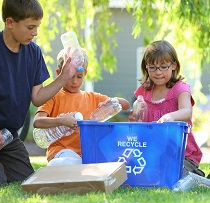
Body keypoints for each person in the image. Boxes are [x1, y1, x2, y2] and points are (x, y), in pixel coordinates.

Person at [0, 0, 76, 186]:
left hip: (7, 135)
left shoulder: (34, 53)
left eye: (37, 27)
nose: (35, 33)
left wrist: (63, 78)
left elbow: (37, 98)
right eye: (30, 27)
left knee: (26, 180)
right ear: (10, 22)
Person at [33, 48, 130, 166]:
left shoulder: (93, 97)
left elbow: (125, 105)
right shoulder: (53, 96)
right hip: (61, 153)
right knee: (63, 162)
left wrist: (112, 103)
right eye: (70, 76)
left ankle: (85, 167)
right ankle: (84, 167)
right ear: (60, 74)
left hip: (87, 154)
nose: (74, 81)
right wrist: (60, 121)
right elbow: (37, 122)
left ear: (85, 73)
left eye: (79, 76)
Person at [129, 40, 204, 176]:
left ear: (173, 65)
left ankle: (194, 174)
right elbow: (139, 124)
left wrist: (170, 116)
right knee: (137, 172)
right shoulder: (144, 91)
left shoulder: (180, 88)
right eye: (152, 67)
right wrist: (134, 118)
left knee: (171, 174)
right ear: (146, 67)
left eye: (163, 67)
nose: (158, 72)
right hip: (153, 153)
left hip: (182, 154)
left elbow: (187, 112)